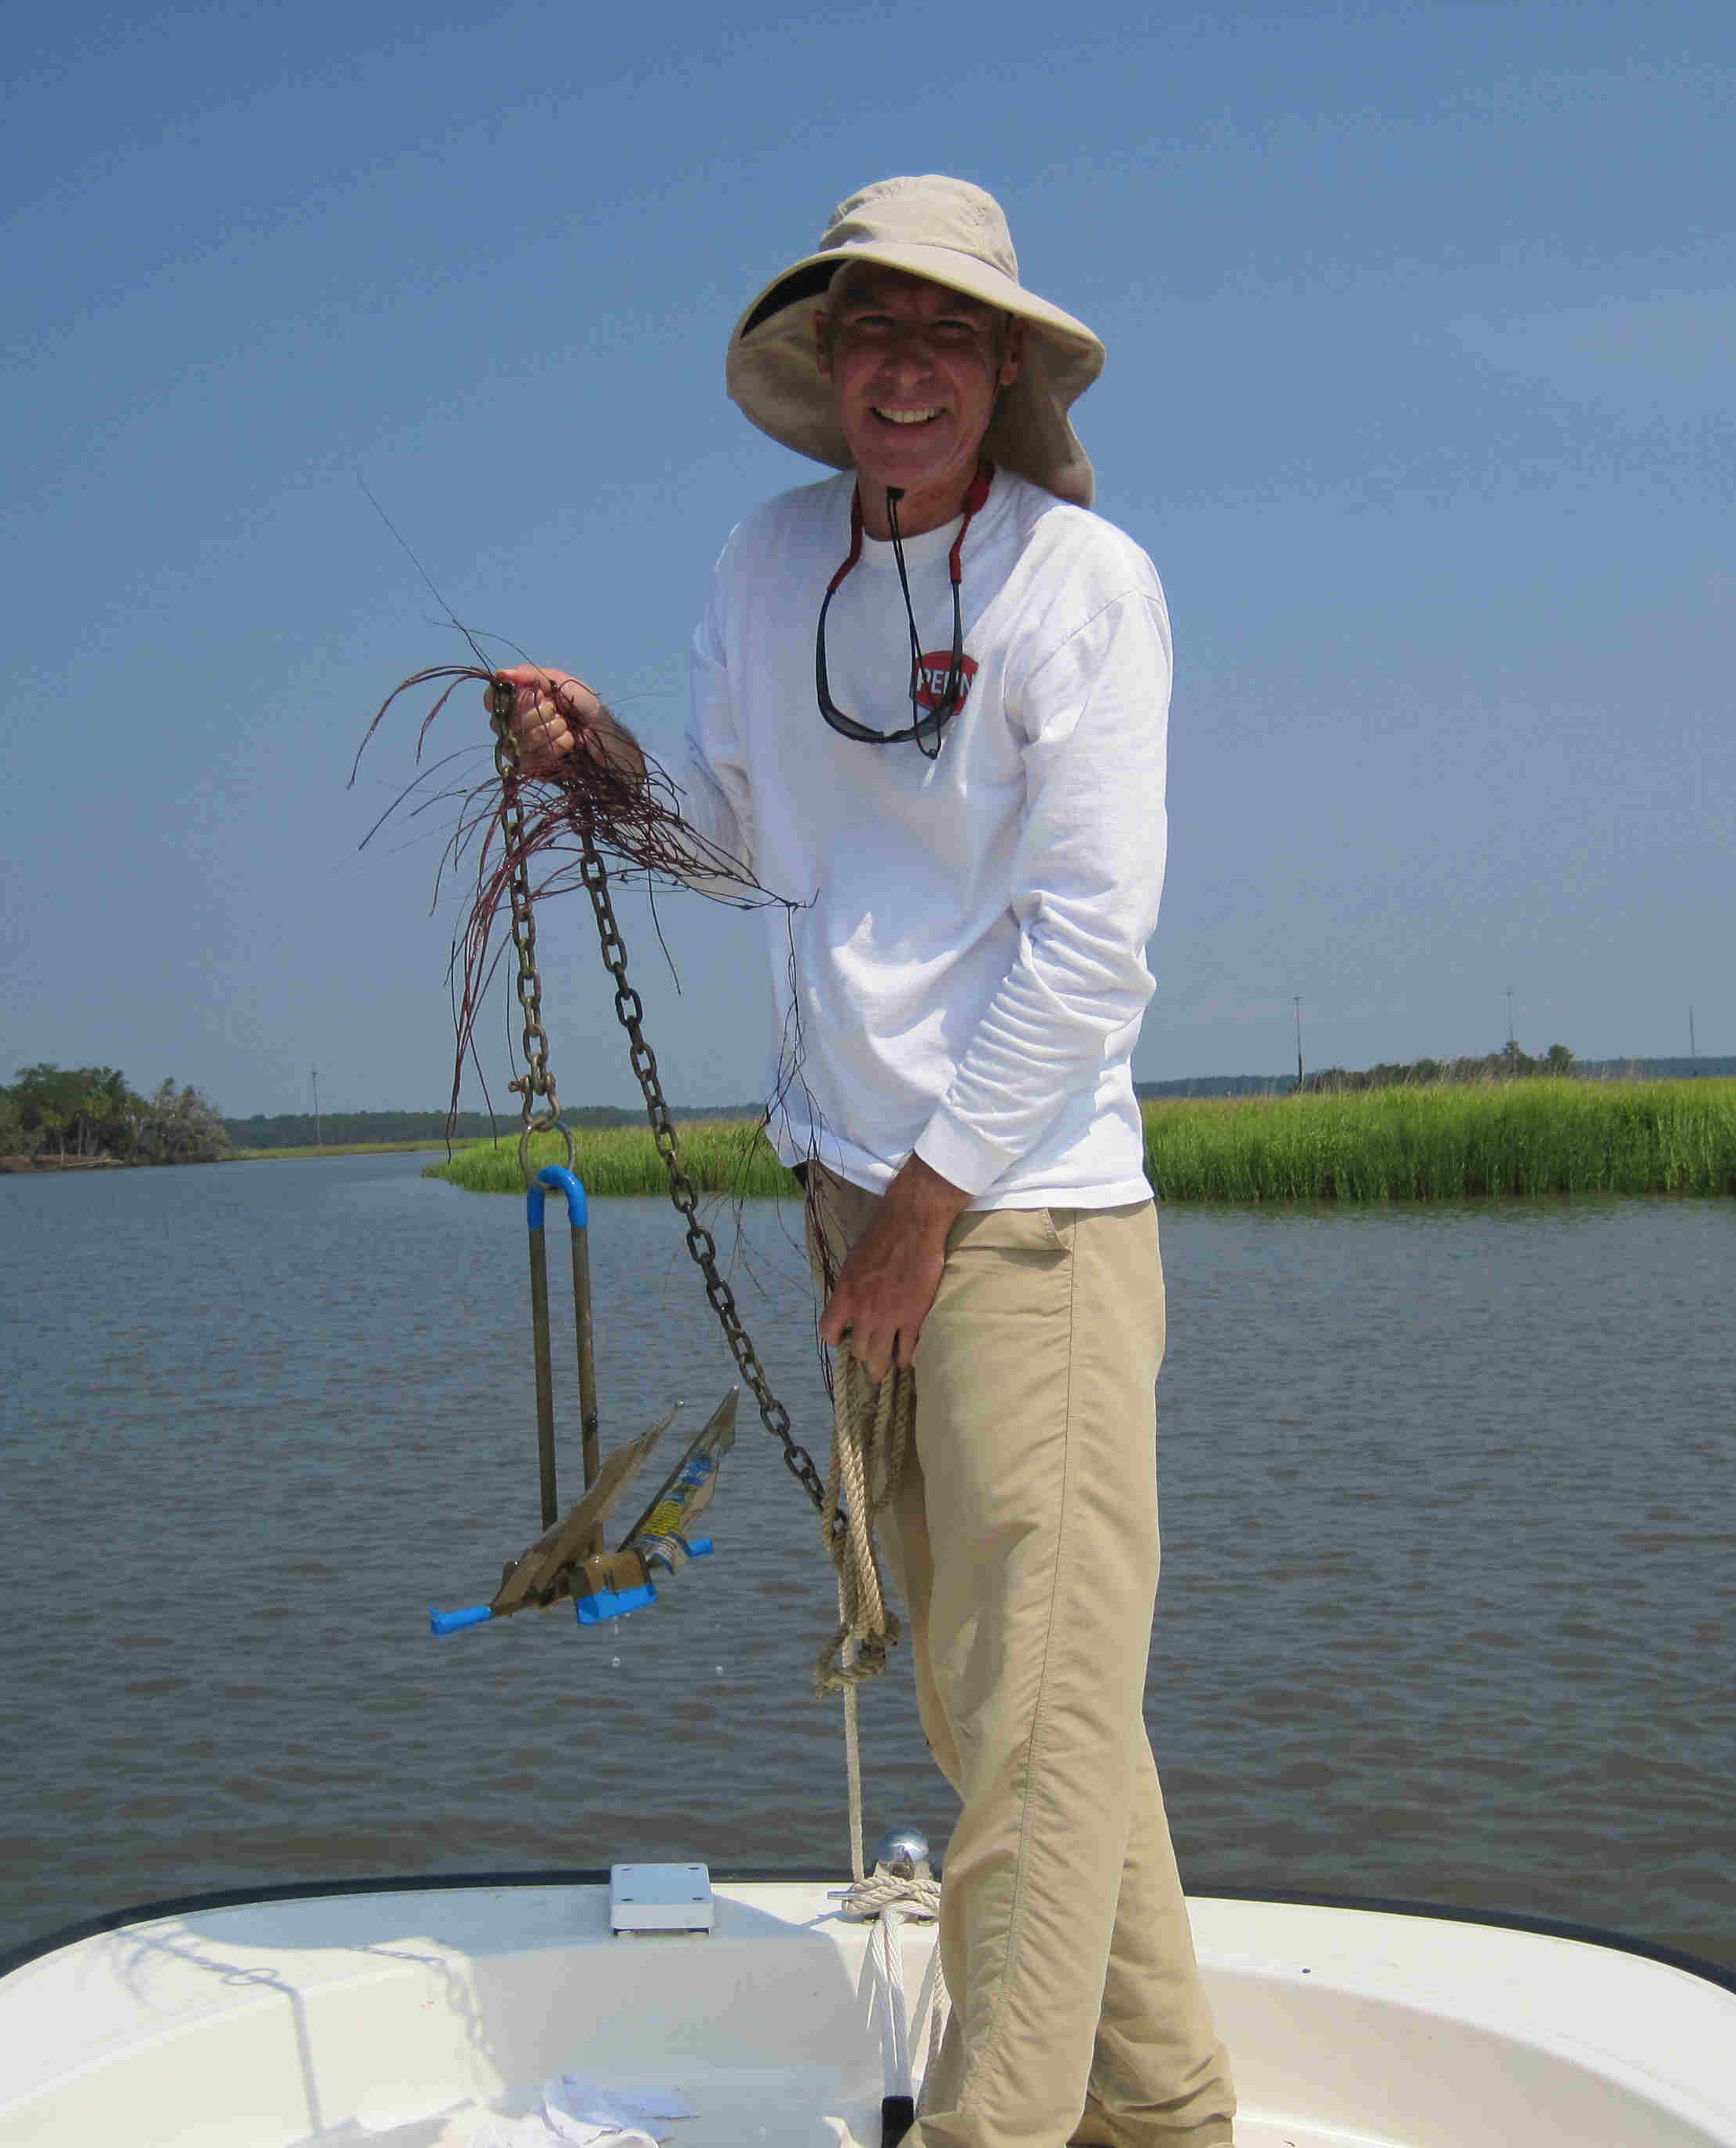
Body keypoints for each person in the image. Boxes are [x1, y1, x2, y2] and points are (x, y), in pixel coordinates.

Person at [493, 174, 1234, 2148]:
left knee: (1034, 1722)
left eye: (945, 335)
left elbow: (1095, 952)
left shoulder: (1091, 589)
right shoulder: (762, 562)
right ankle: (1166, 2114)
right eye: (870, 333)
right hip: (857, 1201)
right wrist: (607, 767)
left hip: (1026, 1217)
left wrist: (923, 1216)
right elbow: (756, 841)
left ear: (1002, 369)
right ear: (828, 369)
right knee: (1025, 1702)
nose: (905, 370)